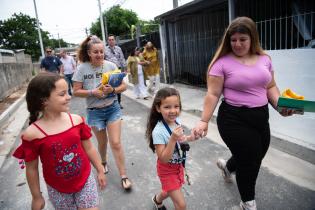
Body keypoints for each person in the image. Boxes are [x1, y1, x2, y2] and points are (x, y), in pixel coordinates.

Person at [192, 17, 295, 210]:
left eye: (242, 39)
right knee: (250, 161)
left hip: (260, 117)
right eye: (233, 40)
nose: (237, 44)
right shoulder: (222, 63)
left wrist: (281, 107)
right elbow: (213, 94)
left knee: (257, 153)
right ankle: (247, 202)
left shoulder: (265, 60)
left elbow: (270, 86)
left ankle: (228, 167)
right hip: (233, 118)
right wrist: (203, 120)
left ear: (252, 38)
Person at [12, 72, 106, 210]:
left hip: (85, 181)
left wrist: (100, 170)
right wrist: (37, 197)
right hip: (58, 190)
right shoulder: (32, 134)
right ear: (44, 100)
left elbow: (89, 148)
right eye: (62, 94)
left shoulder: (76, 121)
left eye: (68, 92)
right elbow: (31, 169)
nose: (69, 97)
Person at [72, 35, 132, 190]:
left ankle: (123, 175)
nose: (99, 54)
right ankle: (103, 162)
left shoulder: (111, 66)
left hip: (112, 108)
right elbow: (76, 91)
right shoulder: (81, 68)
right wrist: (93, 92)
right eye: (95, 52)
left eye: (101, 51)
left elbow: (124, 86)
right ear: (89, 53)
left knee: (116, 143)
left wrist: (113, 89)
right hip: (94, 112)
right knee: (102, 143)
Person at [146, 87, 196, 210]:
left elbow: (181, 140)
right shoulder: (158, 131)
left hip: (178, 166)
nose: (173, 111)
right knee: (181, 205)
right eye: (167, 107)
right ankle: (158, 200)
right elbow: (163, 158)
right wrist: (172, 139)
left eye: (176, 106)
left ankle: (157, 200)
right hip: (167, 170)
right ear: (158, 108)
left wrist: (192, 137)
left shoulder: (177, 121)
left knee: (168, 191)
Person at [105, 34, 127, 109]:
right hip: (108, 71)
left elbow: (122, 58)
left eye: (112, 39)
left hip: (117, 70)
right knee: (109, 86)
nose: (111, 41)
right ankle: (111, 103)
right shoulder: (105, 50)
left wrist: (124, 69)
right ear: (107, 41)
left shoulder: (118, 49)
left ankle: (119, 103)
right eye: (109, 40)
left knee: (118, 86)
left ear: (115, 40)